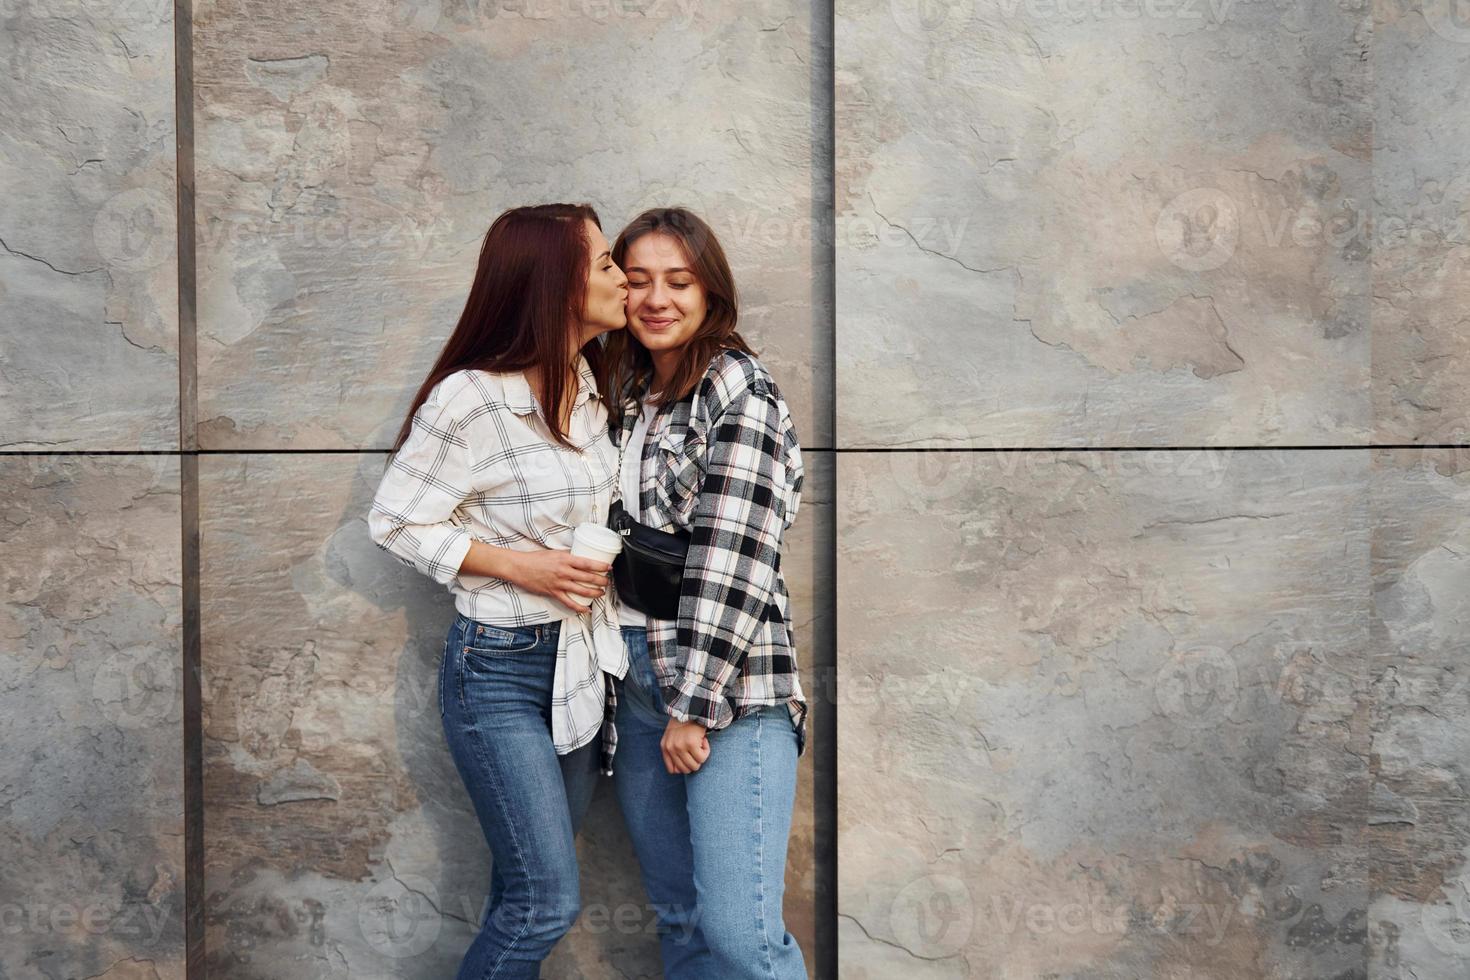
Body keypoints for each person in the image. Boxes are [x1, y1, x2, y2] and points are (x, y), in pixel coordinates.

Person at [368, 203, 630, 979]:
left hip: (581, 666)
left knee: (520, 894)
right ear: (556, 279)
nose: (625, 280)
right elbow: (394, 521)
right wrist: (525, 567)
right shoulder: (472, 399)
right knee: (547, 902)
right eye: (608, 262)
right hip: (500, 672)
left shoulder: (590, 386)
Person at [599, 207, 808, 978]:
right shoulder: (628, 393)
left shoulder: (738, 390)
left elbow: (737, 556)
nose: (657, 298)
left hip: (728, 691)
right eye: (639, 280)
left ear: (709, 292)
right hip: (635, 677)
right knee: (681, 923)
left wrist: (695, 702)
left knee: (738, 934)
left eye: (678, 282)